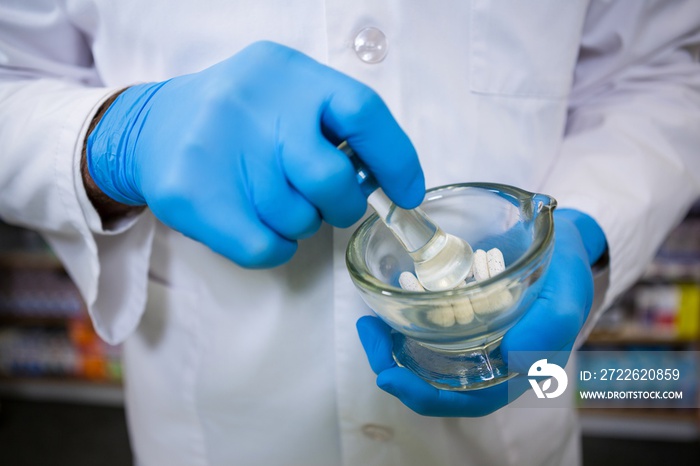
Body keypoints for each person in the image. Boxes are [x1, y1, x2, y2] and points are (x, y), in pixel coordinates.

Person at [1, 1, 698, 465]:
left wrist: (589, 223)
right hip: (215, 430)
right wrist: (117, 138)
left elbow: (664, 67)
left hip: (509, 436)